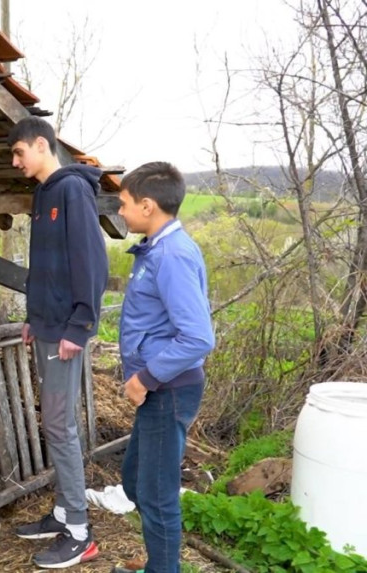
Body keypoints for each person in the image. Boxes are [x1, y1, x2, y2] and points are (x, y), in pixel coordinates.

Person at [9, 117, 108, 569]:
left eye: (19, 152)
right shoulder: (42, 194)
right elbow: (44, 265)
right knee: (54, 423)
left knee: (60, 425)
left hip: (66, 331)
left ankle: (80, 532)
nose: (15, 162)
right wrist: (35, 317)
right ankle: (65, 512)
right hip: (47, 327)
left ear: (41, 145)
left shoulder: (72, 190)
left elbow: (91, 263)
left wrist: (79, 325)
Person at [111, 162, 216, 573]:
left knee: (156, 496)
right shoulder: (156, 250)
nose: (120, 212)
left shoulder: (171, 255)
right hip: (160, 389)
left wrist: (146, 377)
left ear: (148, 205)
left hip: (167, 388)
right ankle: (160, 560)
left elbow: (198, 337)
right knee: (136, 480)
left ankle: (163, 567)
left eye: (124, 204)